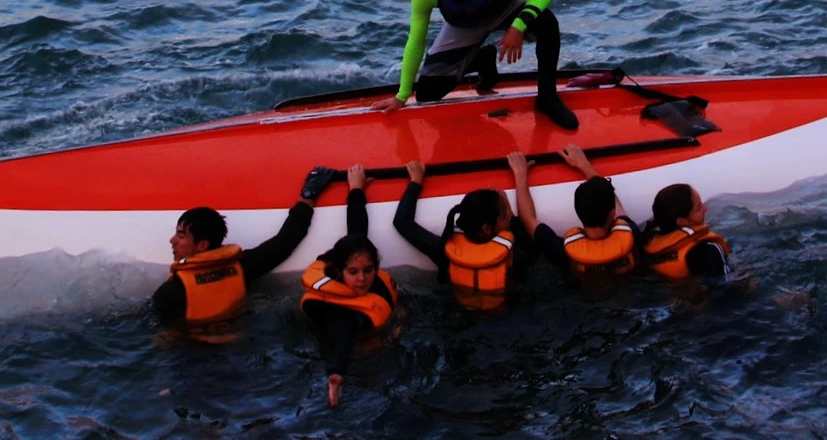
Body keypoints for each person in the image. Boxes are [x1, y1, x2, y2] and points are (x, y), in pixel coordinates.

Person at [370, 0, 578, 129]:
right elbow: (416, 42)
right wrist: (401, 96)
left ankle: (547, 98)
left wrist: (518, 26)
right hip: (464, 25)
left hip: (503, 11)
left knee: (547, 22)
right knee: (427, 93)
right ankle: (482, 59)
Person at [151, 165, 338, 326]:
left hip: (193, 358)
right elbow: (286, 240)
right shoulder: (243, 267)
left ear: (202, 245)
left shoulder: (170, 292)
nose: (172, 240)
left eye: (180, 235)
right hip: (239, 348)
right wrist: (309, 194)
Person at [298, 164, 399, 408]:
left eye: (368, 270)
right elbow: (341, 339)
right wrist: (336, 374)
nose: (362, 278)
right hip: (356, 363)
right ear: (339, 272)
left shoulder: (370, 276)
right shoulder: (339, 313)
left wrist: (356, 190)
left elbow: (357, 231)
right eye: (353, 273)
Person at [393, 152, 538, 310]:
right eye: (504, 216)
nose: (508, 218)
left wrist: (415, 183)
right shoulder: (516, 254)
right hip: (509, 315)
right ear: (487, 229)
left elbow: (402, 222)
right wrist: (519, 181)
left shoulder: (445, 252)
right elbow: (530, 231)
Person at [512, 144, 640, 291]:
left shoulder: (561, 251)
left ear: (577, 211)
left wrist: (520, 174)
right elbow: (616, 205)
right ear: (611, 214)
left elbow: (528, 218)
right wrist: (584, 164)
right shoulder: (632, 235)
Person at [639, 182, 730, 281]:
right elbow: (727, 290)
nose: (706, 208)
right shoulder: (709, 251)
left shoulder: (645, 241)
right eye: (699, 207)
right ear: (681, 221)